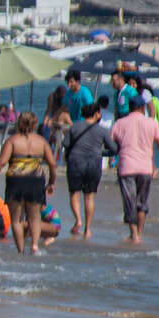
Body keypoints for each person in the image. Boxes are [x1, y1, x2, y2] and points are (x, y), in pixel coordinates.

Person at [0, 111, 56, 255]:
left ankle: (20, 250)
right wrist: (51, 182)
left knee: (17, 219)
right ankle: (35, 246)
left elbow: (1, 162)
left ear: (19, 123)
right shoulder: (42, 142)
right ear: (34, 124)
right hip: (36, 181)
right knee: (35, 217)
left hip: (16, 181)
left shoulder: (12, 141)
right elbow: (52, 164)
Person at [109, 92, 159, 245]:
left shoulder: (119, 123)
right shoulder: (152, 123)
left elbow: (111, 144)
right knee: (142, 202)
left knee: (129, 202)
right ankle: (140, 234)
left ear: (130, 107)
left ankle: (133, 235)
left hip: (126, 167)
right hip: (145, 168)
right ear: (143, 108)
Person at [63, 98, 112, 239]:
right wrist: (101, 152)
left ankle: (78, 220)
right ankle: (88, 229)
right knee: (89, 197)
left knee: (74, 194)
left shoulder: (74, 127)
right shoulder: (102, 130)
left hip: (75, 163)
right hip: (93, 165)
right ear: (97, 114)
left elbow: (65, 144)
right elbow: (113, 148)